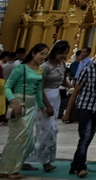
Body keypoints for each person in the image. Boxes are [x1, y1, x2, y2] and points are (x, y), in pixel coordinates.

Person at [66, 42, 96, 178]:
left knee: (88, 138)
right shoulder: (87, 70)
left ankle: (75, 165)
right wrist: (68, 112)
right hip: (85, 107)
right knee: (85, 136)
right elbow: (76, 91)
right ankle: (81, 167)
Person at [0, 44, 49, 179]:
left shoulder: (39, 70)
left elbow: (38, 90)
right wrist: (13, 101)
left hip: (31, 106)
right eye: (42, 54)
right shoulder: (21, 68)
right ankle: (10, 170)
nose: (44, 57)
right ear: (33, 54)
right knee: (17, 138)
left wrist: (42, 106)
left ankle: (7, 168)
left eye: (45, 54)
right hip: (19, 106)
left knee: (28, 141)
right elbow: (8, 86)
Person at [31, 40, 69, 172]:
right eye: (60, 53)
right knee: (46, 131)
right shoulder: (45, 67)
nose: (63, 56)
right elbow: (39, 88)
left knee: (53, 130)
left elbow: (63, 80)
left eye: (65, 54)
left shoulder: (62, 64)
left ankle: (38, 159)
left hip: (56, 96)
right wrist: (46, 106)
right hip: (44, 97)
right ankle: (45, 161)